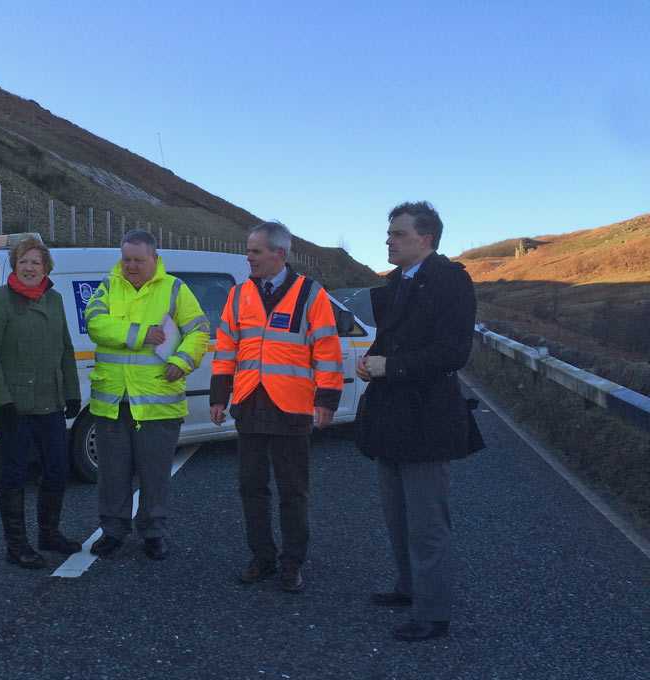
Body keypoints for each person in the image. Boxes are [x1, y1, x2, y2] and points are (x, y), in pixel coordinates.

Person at [355, 201, 484, 642]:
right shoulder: (398, 282)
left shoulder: (452, 280)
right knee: (397, 515)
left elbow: (453, 352)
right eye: (389, 233)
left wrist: (390, 367)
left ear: (425, 240)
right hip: (391, 415)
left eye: (397, 233)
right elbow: (396, 340)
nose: (388, 240)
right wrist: (374, 359)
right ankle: (409, 588)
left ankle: (434, 612)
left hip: (428, 417)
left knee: (427, 520)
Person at [210, 221, 343, 593]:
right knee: (251, 488)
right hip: (250, 404)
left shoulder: (310, 294)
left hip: (292, 407)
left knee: (293, 491)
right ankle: (262, 556)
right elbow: (225, 351)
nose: (248, 257)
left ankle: (292, 563)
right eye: (248, 250)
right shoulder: (238, 295)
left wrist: (327, 400)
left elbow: (328, 352)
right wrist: (219, 396)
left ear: (279, 254)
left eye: (255, 251)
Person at [84, 229, 210, 560]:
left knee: (155, 475)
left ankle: (153, 533)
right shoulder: (109, 285)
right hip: (113, 401)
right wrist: (141, 334)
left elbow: (199, 331)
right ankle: (113, 531)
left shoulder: (175, 289)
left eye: (139, 260)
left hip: (158, 402)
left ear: (154, 259)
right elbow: (95, 323)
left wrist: (183, 362)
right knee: (112, 473)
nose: (131, 266)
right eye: (126, 259)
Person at [0, 235, 82, 569]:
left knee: (58, 470)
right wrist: (0, 399)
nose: (29, 267)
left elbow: (66, 347)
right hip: (14, 407)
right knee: (15, 472)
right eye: (23, 261)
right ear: (14, 264)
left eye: (35, 262)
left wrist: (72, 393)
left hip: (50, 403)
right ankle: (17, 546)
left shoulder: (53, 299)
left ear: (46, 267)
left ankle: (49, 534)